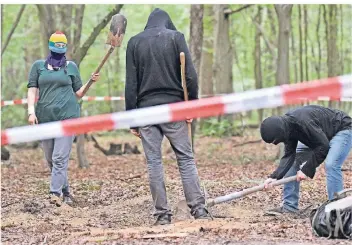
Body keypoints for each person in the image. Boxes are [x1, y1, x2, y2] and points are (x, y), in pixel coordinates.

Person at [125, 8, 209, 225]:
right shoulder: (176, 37)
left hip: (145, 111)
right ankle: (199, 209)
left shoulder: (134, 42)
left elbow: (131, 83)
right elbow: (190, 75)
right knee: (185, 159)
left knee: (154, 162)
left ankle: (162, 215)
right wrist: (191, 105)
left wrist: (131, 117)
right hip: (174, 108)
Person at [27, 31, 100, 206]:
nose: (60, 48)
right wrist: (31, 111)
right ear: (50, 45)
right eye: (57, 44)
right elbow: (32, 89)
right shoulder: (39, 66)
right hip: (45, 118)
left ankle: (55, 195)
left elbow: (79, 93)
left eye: (63, 45)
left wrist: (90, 82)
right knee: (51, 159)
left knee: (60, 157)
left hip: (68, 118)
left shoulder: (71, 67)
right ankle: (66, 191)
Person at [260, 105, 351, 215]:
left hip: (342, 129)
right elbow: (289, 155)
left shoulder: (303, 122)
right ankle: (290, 207)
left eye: (277, 140)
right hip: (319, 136)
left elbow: (323, 147)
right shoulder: (288, 127)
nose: (278, 143)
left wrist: (306, 169)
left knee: (331, 164)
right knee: (293, 162)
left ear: (280, 132)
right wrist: (274, 177)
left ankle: (338, 211)